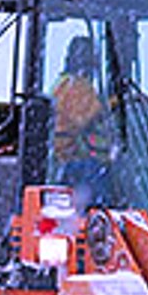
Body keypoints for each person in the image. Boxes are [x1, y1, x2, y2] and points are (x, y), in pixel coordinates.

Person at [50, 35, 112, 199]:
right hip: (72, 159)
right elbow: (85, 116)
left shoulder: (70, 84)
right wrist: (116, 103)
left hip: (74, 156)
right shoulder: (73, 85)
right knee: (104, 177)